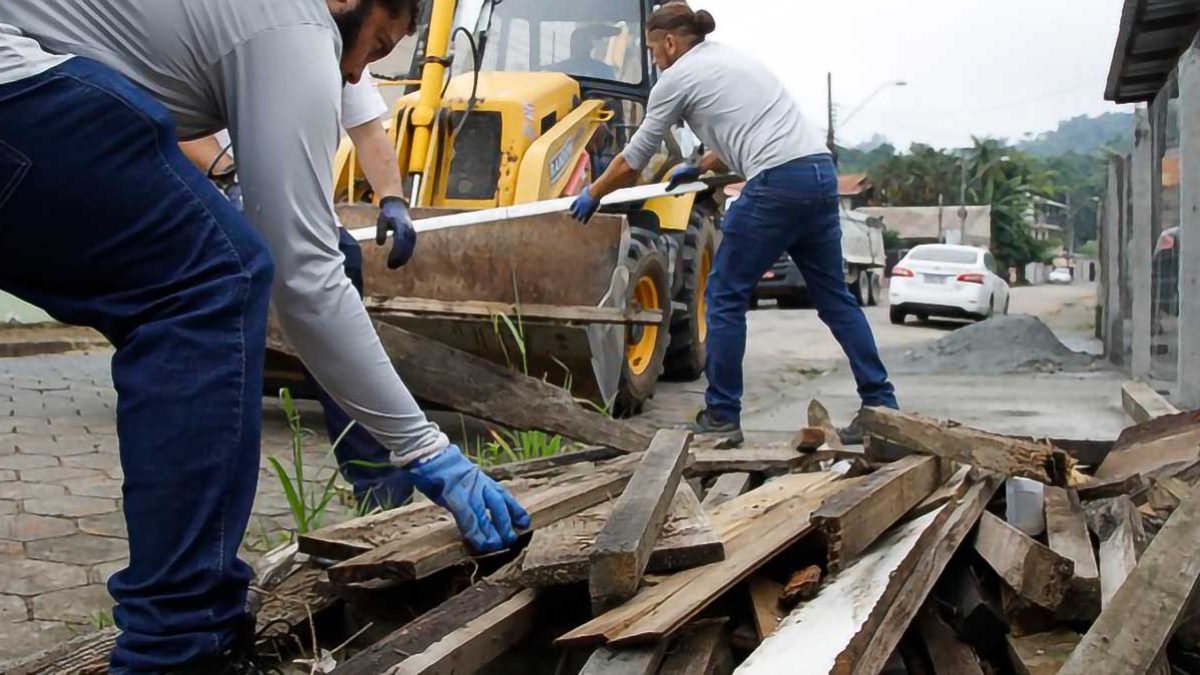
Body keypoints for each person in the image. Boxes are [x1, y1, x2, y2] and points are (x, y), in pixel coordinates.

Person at [0, 1, 529, 672]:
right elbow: (304, 278)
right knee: (208, 284)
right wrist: (427, 449)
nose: (356, 69)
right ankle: (180, 650)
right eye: (375, 44)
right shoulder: (298, 25)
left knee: (219, 259)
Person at [569, 1, 898, 446]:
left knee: (723, 295)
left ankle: (722, 414)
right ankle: (881, 407)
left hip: (776, 183)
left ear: (669, 42)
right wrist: (698, 166)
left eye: (652, 49)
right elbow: (746, 133)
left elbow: (634, 158)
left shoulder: (676, 79)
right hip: (817, 173)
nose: (653, 59)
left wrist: (592, 193)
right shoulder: (730, 59)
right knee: (835, 299)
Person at [182, 75, 416, 511]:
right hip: (217, 224)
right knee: (224, 371)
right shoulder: (237, 25)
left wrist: (392, 200)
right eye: (380, 41)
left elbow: (368, 132)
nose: (367, 61)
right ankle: (207, 512)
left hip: (306, 224)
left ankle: (381, 491)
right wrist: (232, 175)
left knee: (345, 353)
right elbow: (173, 123)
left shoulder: (343, 53)